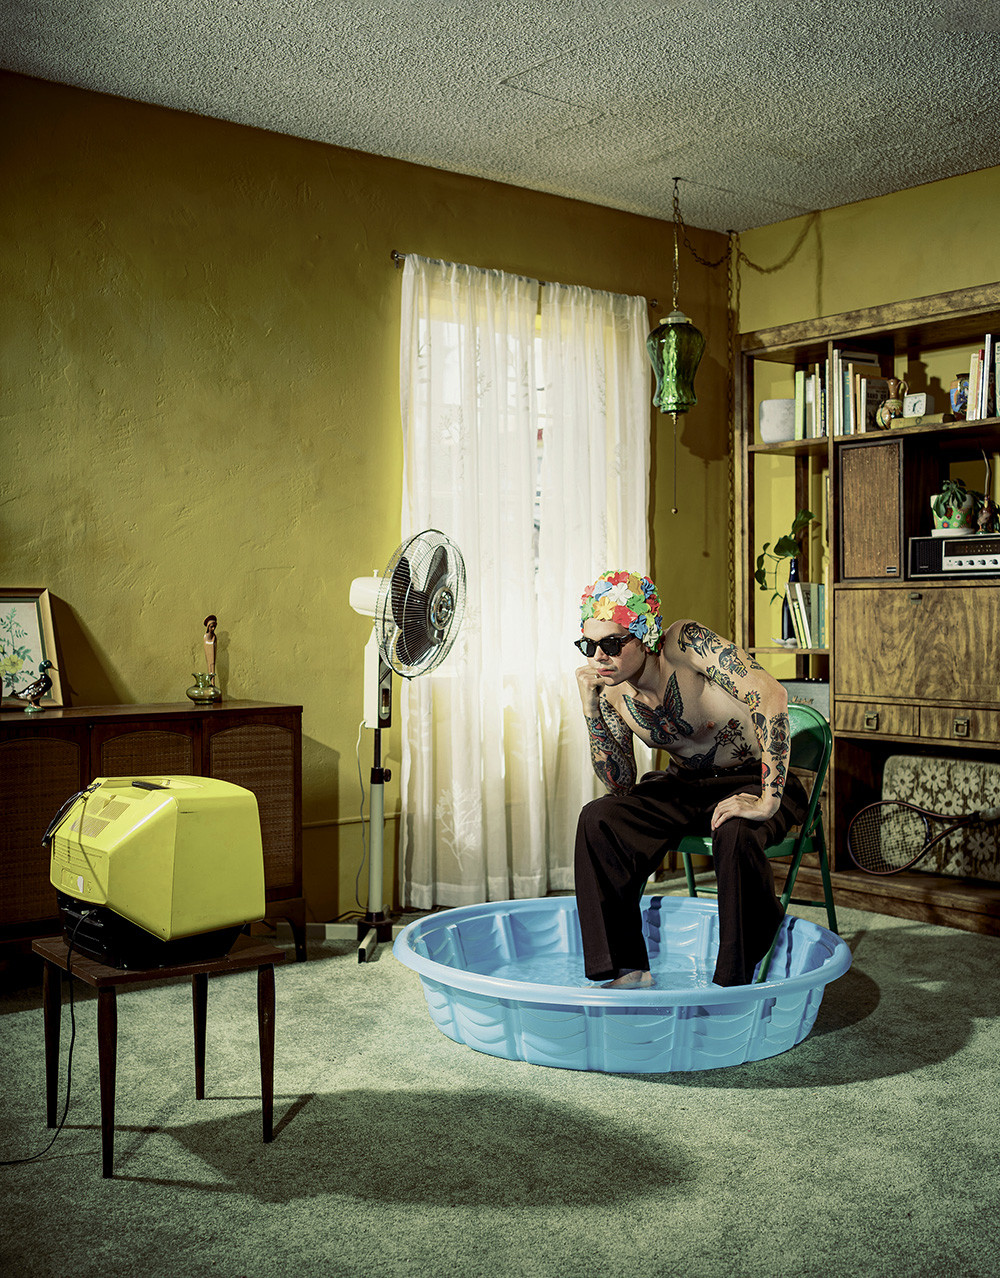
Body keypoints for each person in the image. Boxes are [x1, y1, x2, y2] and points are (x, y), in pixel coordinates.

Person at [573, 570, 807, 989]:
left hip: (755, 777)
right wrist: (591, 710)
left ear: (645, 637)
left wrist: (768, 801)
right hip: (684, 784)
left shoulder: (686, 644)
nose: (598, 657)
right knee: (598, 819)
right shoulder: (611, 691)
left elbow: (771, 695)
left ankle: (733, 982)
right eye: (589, 646)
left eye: (611, 644)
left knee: (735, 831)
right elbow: (621, 784)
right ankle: (628, 969)